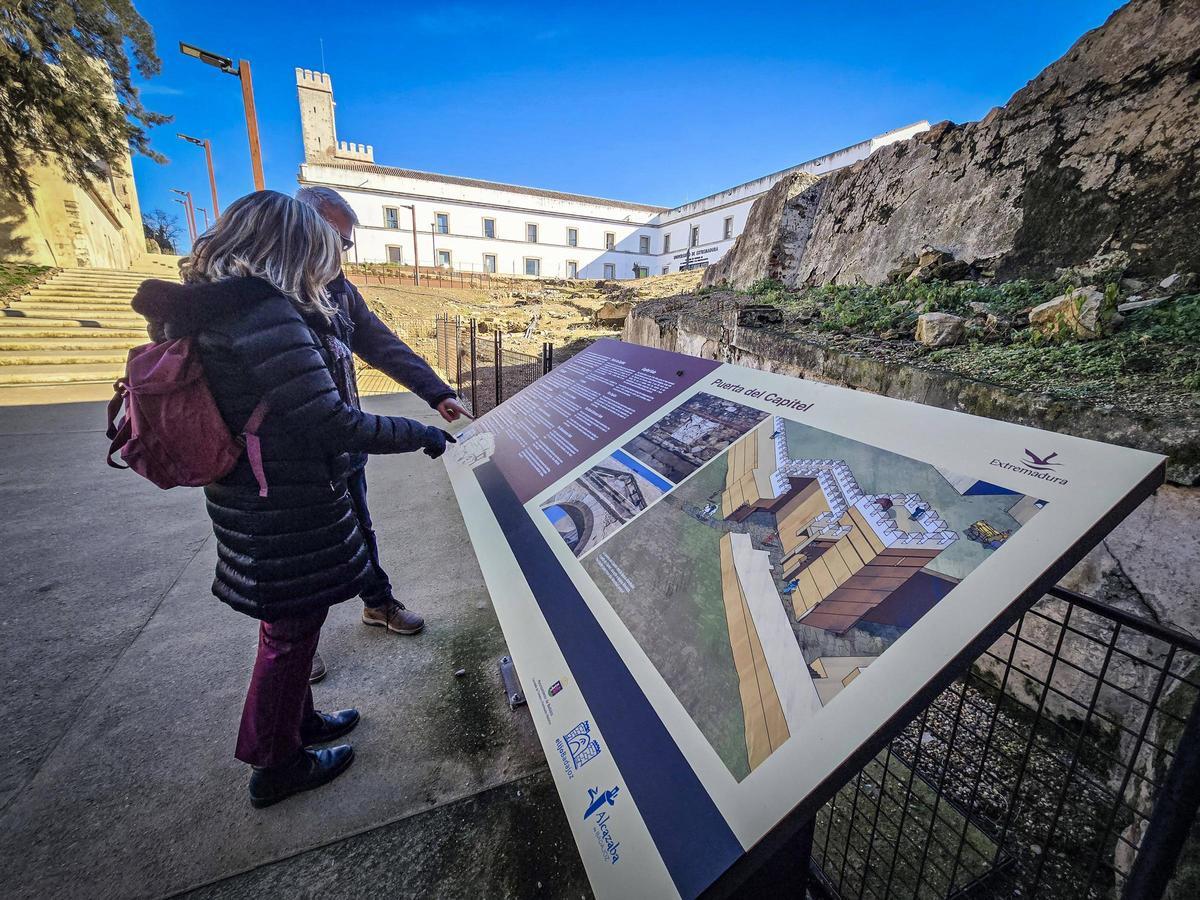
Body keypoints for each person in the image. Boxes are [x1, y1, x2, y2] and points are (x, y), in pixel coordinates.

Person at [131, 191, 455, 807]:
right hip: (284, 495)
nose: (332, 258)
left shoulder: (211, 307)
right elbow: (329, 420)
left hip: (253, 489)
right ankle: (275, 763)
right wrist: (422, 435)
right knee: (289, 630)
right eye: (322, 245)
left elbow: (368, 351)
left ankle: (295, 725)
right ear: (289, 244)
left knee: (292, 619)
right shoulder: (266, 314)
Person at [295, 186, 468, 684]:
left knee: (360, 527)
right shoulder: (275, 294)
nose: (341, 254)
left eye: (347, 245)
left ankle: (377, 603)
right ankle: (298, 646)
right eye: (336, 240)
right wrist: (417, 432)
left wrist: (436, 393)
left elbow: (381, 345)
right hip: (293, 458)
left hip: (343, 447)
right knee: (300, 555)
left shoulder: (339, 291)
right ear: (303, 230)